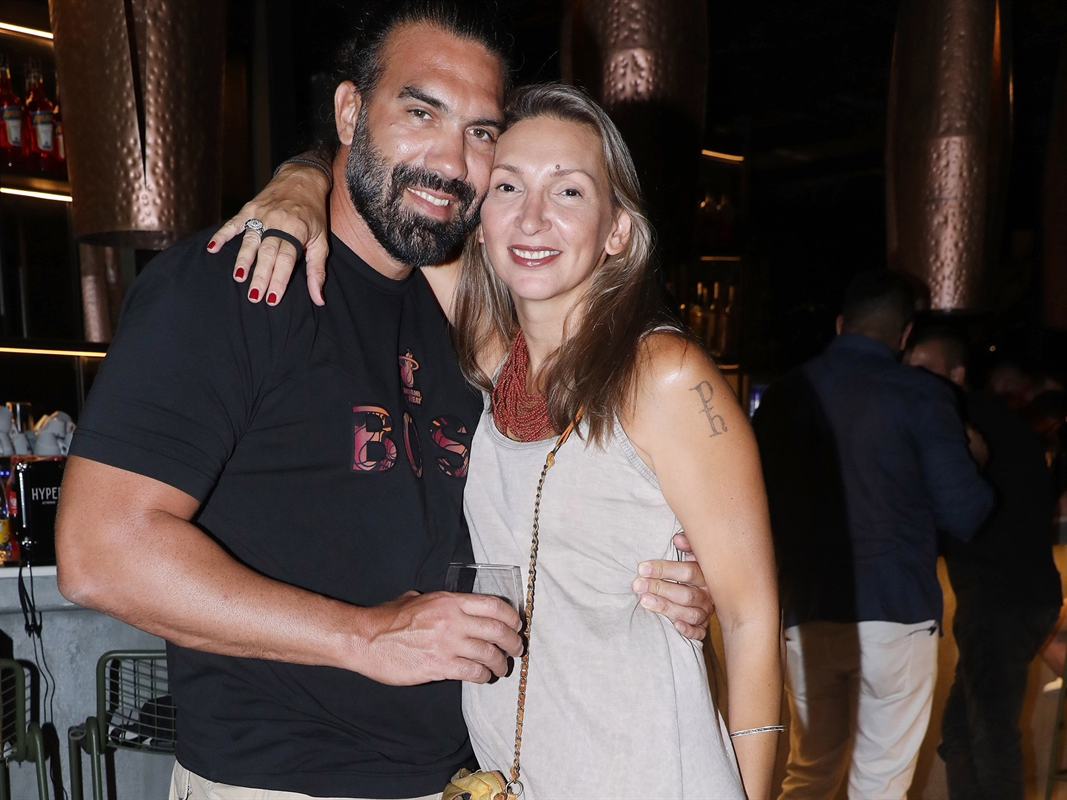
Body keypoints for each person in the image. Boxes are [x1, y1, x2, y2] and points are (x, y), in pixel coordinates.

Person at [56, 3, 714, 799]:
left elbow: (538, 506)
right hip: (279, 784)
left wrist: (654, 574)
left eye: (480, 133)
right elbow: (99, 552)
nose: (450, 161)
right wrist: (363, 636)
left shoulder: (465, 316)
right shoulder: (234, 285)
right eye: (420, 112)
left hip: (460, 775)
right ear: (349, 113)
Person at [455, 83, 780, 799]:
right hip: (515, 776)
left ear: (618, 231)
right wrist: (296, 186)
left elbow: (751, 617)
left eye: (568, 191)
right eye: (508, 186)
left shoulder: (664, 376)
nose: (531, 216)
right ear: (478, 219)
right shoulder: (493, 360)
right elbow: (379, 198)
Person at [752, 271, 995, 800]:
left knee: (810, 772)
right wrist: (976, 456)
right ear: (904, 334)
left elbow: (752, 507)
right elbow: (965, 513)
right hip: (896, 610)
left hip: (808, 612)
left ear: (841, 325)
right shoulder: (923, 396)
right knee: (880, 784)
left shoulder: (786, 395)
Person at [905, 326, 1062, 800]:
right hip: (1016, 598)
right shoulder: (992, 417)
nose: (912, 379)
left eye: (925, 370)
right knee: (963, 734)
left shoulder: (959, 422)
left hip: (1000, 600)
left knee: (990, 738)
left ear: (956, 374)